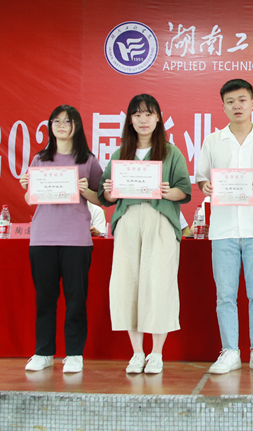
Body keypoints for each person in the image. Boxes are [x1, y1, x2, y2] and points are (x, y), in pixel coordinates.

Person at [197, 79, 253, 375]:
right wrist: (206, 185)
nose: (237, 106)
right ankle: (230, 351)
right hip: (223, 228)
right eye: (231, 101)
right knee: (225, 294)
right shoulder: (213, 141)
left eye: (242, 100)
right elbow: (201, 178)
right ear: (223, 106)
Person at [98, 94, 192, 374]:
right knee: (128, 283)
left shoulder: (171, 152)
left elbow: (184, 190)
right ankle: (137, 352)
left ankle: (156, 353)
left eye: (149, 114)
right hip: (128, 221)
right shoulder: (120, 153)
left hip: (160, 220)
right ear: (130, 120)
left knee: (159, 284)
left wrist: (168, 192)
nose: (143, 120)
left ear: (158, 118)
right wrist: (109, 191)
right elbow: (106, 194)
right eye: (137, 114)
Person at [19, 106, 104, 373]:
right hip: (42, 237)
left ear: (77, 126)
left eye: (67, 121)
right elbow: (30, 199)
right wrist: (26, 187)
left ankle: (74, 354)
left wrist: (86, 191)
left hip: (76, 239)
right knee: (45, 298)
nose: (62, 126)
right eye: (56, 121)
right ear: (50, 126)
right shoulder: (40, 159)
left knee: (76, 299)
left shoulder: (88, 160)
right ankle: (43, 352)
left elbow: (103, 198)